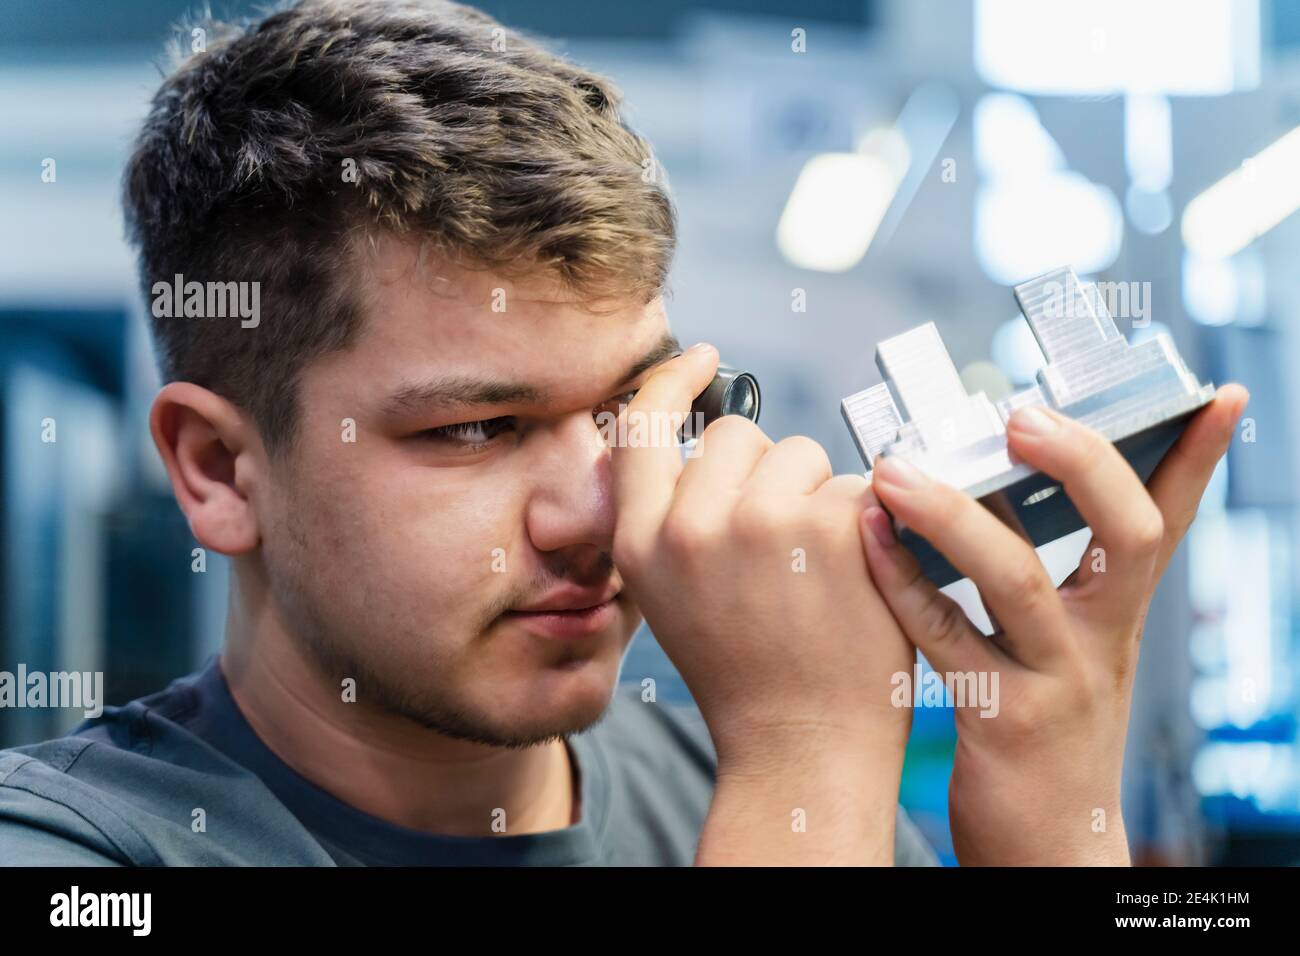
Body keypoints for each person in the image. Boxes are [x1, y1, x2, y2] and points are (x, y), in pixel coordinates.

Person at [0, 0, 1245, 866]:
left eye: (640, 413)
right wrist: (807, 765)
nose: (603, 510)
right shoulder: (77, 853)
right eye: (479, 427)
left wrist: (1060, 815)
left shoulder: (720, 775)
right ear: (221, 469)